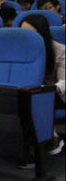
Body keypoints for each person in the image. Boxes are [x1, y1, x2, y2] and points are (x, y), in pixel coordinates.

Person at [19, 14, 65, 158]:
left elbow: (63, 82)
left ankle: (50, 136)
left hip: (54, 93)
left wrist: (45, 90)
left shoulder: (59, 50)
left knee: (35, 98)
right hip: (25, 92)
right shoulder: (18, 49)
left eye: (31, 33)